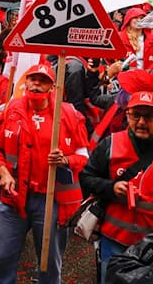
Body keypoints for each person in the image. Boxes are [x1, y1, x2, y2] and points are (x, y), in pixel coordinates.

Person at [0, 62, 89, 284]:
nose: (36, 84)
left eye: (43, 81)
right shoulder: (10, 110)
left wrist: (66, 159)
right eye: (32, 79)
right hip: (13, 199)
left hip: (50, 201)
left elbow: (84, 155)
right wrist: (3, 172)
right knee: (2, 256)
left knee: (50, 263)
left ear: (52, 88)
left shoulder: (69, 114)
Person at [80, 90, 153, 282]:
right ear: (127, 113)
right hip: (114, 240)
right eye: (135, 115)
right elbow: (86, 178)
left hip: (150, 246)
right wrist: (111, 187)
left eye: (149, 116)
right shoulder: (110, 144)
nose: (142, 122)